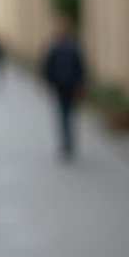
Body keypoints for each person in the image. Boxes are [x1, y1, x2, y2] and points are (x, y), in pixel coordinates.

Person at [42, 15, 86, 160]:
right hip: (71, 85)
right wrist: (81, 84)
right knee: (69, 114)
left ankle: (66, 141)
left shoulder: (54, 48)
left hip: (60, 85)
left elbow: (47, 68)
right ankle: (68, 141)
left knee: (63, 114)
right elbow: (81, 68)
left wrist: (49, 84)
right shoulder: (74, 48)